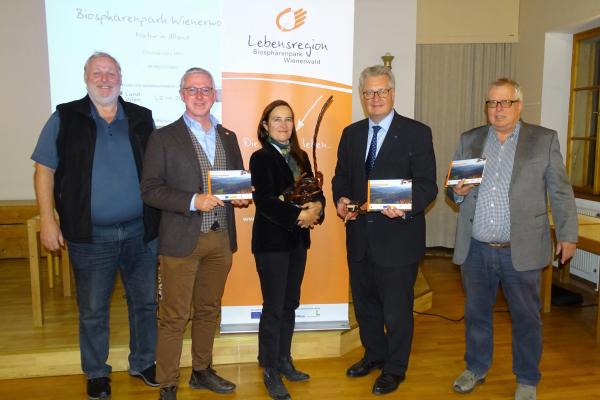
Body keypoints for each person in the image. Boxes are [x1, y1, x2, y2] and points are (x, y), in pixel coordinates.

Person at [31, 51, 160, 400]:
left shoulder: (141, 117)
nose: (104, 79)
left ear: (121, 77)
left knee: (145, 303)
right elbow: (44, 171)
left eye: (111, 73)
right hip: (90, 236)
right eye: (97, 73)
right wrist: (47, 219)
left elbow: (158, 170)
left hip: (140, 232)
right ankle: (97, 372)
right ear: (86, 77)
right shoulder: (64, 117)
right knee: (92, 310)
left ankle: (145, 362)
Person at [447, 78, 578, 400]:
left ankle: (527, 379)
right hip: (476, 249)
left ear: (519, 105)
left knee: (526, 318)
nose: (498, 109)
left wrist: (568, 235)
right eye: (492, 103)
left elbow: (560, 191)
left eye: (505, 102)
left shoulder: (543, 140)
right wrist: (458, 192)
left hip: (522, 248)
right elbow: (454, 189)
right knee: (477, 314)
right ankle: (475, 367)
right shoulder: (471, 139)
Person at [140, 67, 249, 400]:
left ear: (214, 94)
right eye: (192, 90)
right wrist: (192, 200)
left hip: (220, 238)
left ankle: (202, 371)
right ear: (181, 94)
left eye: (206, 90)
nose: (200, 95)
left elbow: (236, 181)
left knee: (208, 309)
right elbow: (150, 190)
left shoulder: (228, 137)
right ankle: (168, 382)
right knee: (174, 315)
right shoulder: (162, 137)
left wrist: (241, 195)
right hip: (180, 240)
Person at [332, 65, 437, 395]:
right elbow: (341, 177)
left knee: (397, 310)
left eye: (382, 91)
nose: (375, 98)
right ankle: (373, 355)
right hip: (360, 237)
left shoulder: (416, 132)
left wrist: (403, 204)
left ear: (393, 93)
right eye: (368, 93)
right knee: (365, 306)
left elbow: (426, 186)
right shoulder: (351, 134)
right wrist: (341, 198)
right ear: (362, 97)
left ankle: (395, 368)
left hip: (397, 239)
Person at [249, 100, 325, 400]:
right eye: (276, 119)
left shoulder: (301, 156)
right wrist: (299, 216)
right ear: (265, 126)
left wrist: (318, 208)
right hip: (271, 244)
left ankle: (284, 359)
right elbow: (265, 202)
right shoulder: (260, 158)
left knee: (290, 303)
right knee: (274, 307)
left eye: (288, 119)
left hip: (297, 243)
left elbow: (317, 194)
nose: (283, 124)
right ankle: (269, 368)